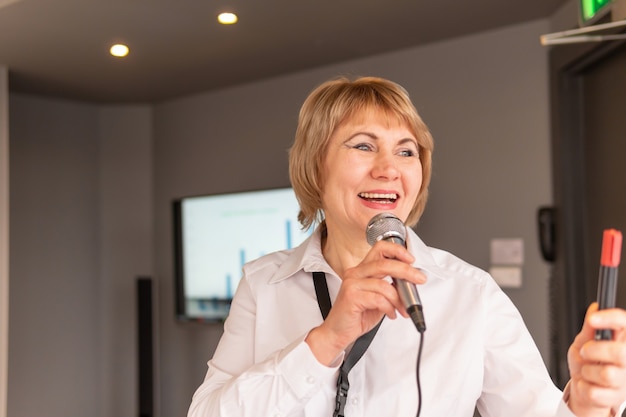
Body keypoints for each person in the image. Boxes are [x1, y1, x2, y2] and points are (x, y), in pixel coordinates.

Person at [187, 76, 626, 417]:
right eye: (363, 146)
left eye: (406, 151)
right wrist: (324, 342)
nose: (389, 169)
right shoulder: (264, 284)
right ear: (315, 166)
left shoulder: (470, 293)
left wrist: (586, 404)